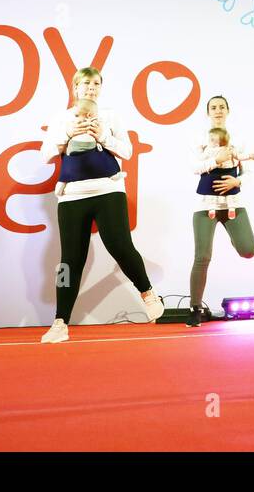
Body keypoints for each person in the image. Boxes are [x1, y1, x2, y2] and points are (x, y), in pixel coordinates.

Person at [37, 67, 165, 343]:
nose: (91, 87)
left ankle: (147, 292)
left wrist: (103, 135)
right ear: (75, 87)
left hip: (109, 189)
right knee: (69, 262)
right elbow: (46, 154)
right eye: (86, 83)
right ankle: (60, 322)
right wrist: (67, 134)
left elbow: (128, 152)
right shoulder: (62, 118)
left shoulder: (110, 116)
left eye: (96, 83)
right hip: (72, 195)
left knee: (120, 246)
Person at [187, 95, 254, 327]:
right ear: (207, 112)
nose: (218, 110)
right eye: (213, 107)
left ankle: (233, 232)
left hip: (232, 204)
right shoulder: (200, 138)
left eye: (221, 107)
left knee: (248, 249)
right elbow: (194, 167)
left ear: (228, 110)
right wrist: (215, 161)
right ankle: (195, 308)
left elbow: (249, 171)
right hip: (205, 204)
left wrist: (236, 182)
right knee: (203, 256)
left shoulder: (239, 139)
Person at [199, 127, 242, 220]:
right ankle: (211, 209)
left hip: (228, 173)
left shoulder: (230, 148)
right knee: (212, 192)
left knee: (231, 194)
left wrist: (248, 156)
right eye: (210, 138)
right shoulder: (209, 149)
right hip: (214, 173)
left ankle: (231, 208)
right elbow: (201, 159)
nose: (209, 140)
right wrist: (201, 150)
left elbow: (238, 156)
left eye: (212, 139)